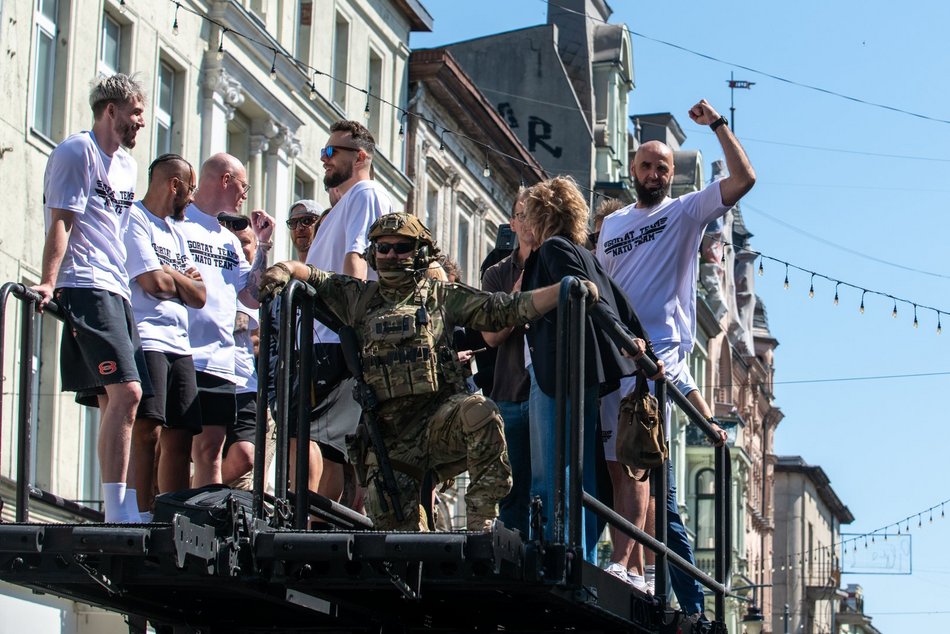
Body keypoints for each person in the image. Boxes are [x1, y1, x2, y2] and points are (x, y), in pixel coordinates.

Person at [259, 212, 590, 531]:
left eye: (402, 247)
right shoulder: (358, 298)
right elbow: (313, 276)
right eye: (384, 247)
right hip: (389, 442)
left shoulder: (440, 297)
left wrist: (563, 290)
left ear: (419, 252)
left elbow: (503, 309)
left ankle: (480, 525)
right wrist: (283, 269)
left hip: (437, 424)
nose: (392, 255)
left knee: (480, 413)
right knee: (402, 542)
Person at [596, 99, 755, 615]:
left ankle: (626, 564)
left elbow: (744, 179)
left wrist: (718, 126)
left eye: (662, 168)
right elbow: (601, 287)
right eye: (646, 165)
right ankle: (640, 570)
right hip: (614, 354)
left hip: (655, 360)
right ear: (633, 169)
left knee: (637, 464)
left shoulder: (684, 212)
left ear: (670, 175)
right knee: (618, 469)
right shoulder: (613, 225)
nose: (654, 174)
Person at [31, 73, 148, 523]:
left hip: (116, 288)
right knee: (128, 393)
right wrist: (49, 281)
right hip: (85, 283)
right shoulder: (77, 151)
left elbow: (117, 232)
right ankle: (118, 509)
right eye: (136, 113)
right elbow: (61, 219)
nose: (141, 122)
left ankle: (120, 504)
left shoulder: (127, 166)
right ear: (111, 110)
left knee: (114, 399)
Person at [520, 176, 655, 563]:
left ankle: (563, 556)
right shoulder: (584, 253)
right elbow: (619, 300)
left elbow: (591, 296)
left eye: (527, 214)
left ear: (540, 215)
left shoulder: (554, 249)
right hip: (580, 375)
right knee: (577, 471)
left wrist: (632, 344)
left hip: (558, 372)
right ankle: (581, 556)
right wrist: (641, 346)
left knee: (554, 471)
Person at [299, 120, 393, 502]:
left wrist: (350, 326)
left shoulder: (364, 193)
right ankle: (315, 527)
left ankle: (304, 524)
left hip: (334, 338)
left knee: (308, 439)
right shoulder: (344, 203)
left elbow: (357, 260)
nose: (323, 159)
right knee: (329, 447)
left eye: (331, 151)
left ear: (360, 157)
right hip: (325, 337)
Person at [176, 153, 275, 487]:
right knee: (173, 446)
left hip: (220, 361)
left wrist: (263, 246)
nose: (244, 195)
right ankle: (159, 510)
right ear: (226, 180)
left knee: (211, 451)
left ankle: (201, 513)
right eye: (243, 186)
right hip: (182, 351)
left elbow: (251, 296)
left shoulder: (230, 240)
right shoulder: (178, 221)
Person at [124, 154, 206, 518]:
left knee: (183, 434)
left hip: (180, 345)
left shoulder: (175, 232)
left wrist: (169, 271)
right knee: (148, 429)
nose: (192, 198)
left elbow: (200, 296)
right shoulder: (134, 219)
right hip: (147, 338)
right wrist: (178, 278)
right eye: (190, 189)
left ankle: (173, 518)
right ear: (175, 185)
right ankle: (139, 514)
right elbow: (152, 283)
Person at [480, 190, 535, 536]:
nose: (528, 222)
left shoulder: (555, 263)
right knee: (512, 488)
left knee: (547, 486)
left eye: (535, 213)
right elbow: (491, 336)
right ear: (512, 223)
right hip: (510, 391)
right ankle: (515, 553)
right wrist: (518, 297)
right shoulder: (497, 273)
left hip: (547, 390)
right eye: (522, 214)